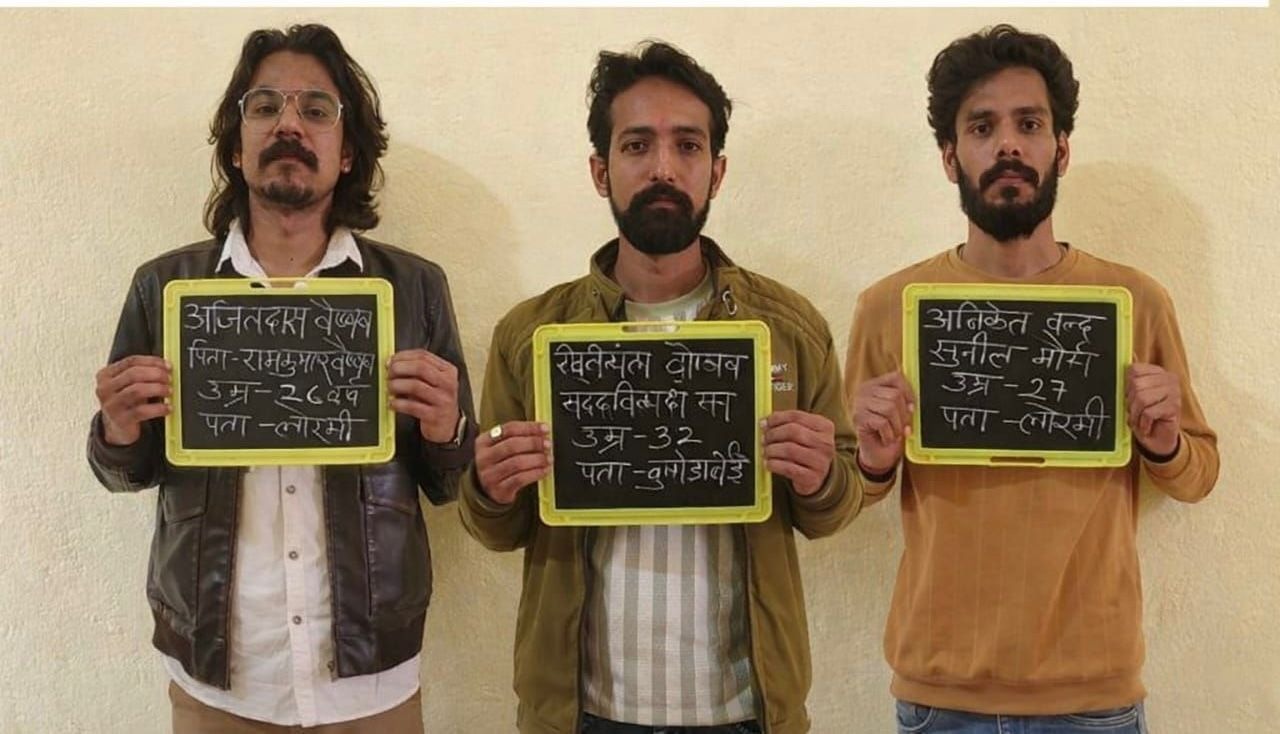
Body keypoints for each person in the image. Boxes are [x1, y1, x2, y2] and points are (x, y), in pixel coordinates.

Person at [459, 41, 866, 734]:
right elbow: (500, 529)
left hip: (746, 711)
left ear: (717, 171)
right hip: (583, 712)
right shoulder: (532, 336)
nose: (663, 168)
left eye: (688, 145)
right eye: (637, 145)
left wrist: (823, 474)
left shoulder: (789, 329)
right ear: (601, 170)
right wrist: (490, 486)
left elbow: (834, 508)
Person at [87, 23, 475, 733]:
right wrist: (117, 430)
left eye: (316, 109)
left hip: (371, 680)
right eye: (264, 106)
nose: (288, 124)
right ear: (237, 147)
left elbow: (451, 483)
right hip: (218, 679)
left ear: (347, 151)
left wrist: (448, 430)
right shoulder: (165, 289)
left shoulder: (414, 288)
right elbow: (125, 472)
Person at [843, 24, 1219, 734]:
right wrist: (872, 458)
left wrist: (1166, 440)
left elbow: (1198, 476)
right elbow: (847, 490)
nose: (1008, 145)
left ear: (1061, 149)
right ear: (951, 157)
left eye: (1030, 124)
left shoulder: (1134, 302)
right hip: (939, 695)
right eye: (982, 128)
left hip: (1093, 697)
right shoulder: (890, 308)